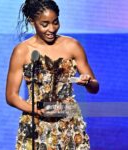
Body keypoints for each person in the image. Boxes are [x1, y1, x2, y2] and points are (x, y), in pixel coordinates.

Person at [6, 0, 99, 149]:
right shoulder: (22, 51)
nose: (51, 29)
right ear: (32, 22)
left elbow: (95, 87)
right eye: (45, 24)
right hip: (35, 125)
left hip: (69, 123)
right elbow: (11, 96)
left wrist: (88, 82)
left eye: (55, 22)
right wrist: (35, 109)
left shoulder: (72, 46)